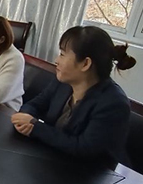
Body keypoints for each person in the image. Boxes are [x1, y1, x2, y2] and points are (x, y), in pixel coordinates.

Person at [11, 26, 136, 167]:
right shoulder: (62, 83)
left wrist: (35, 127)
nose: (56, 60)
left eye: (62, 54)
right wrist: (25, 118)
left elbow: (83, 148)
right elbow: (34, 105)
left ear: (85, 64)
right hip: (55, 161)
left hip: (89, 173)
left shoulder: (114, 103)